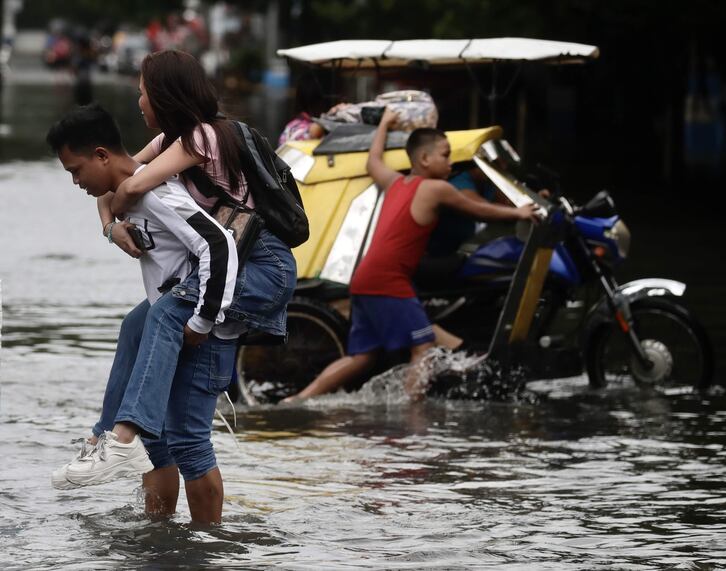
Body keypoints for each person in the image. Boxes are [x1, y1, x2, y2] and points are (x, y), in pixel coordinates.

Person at [52, 51, 296, 522]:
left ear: (165, 95)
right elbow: (117, 179)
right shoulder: (170, 140)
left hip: (257, 262)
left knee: (185, 426)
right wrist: (111, 226)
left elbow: (128, 186)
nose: (138, 100)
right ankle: (112, 446)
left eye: (142, 92)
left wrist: (202, 321)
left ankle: (128, 445)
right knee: (137, 325)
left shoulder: (204, 136)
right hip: (220, 264)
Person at [47, 103, 239, 524]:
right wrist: (109, 227)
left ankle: (209, 545)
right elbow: (108, 198)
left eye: (76, 171)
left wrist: (203, 320)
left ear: (101, 155)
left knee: (190, 443)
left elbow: (219, 244)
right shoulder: (128, 194)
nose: (76, 182)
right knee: (158, 443)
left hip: (198, 324)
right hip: (173, 321)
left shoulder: (154, 193)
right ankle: (158, 536)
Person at [283, 108, 540, 402]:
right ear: (425, 159)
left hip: (364, 278)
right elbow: (478, 209)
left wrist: (383, 124)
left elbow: (373, 161)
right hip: (388, 281)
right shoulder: (435, 188)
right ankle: (411, 413)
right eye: (445, 155)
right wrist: (518, 212)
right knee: (424, 347)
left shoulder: (395, 182)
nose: (450, 162)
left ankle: (297, 400)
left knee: (361, 358)